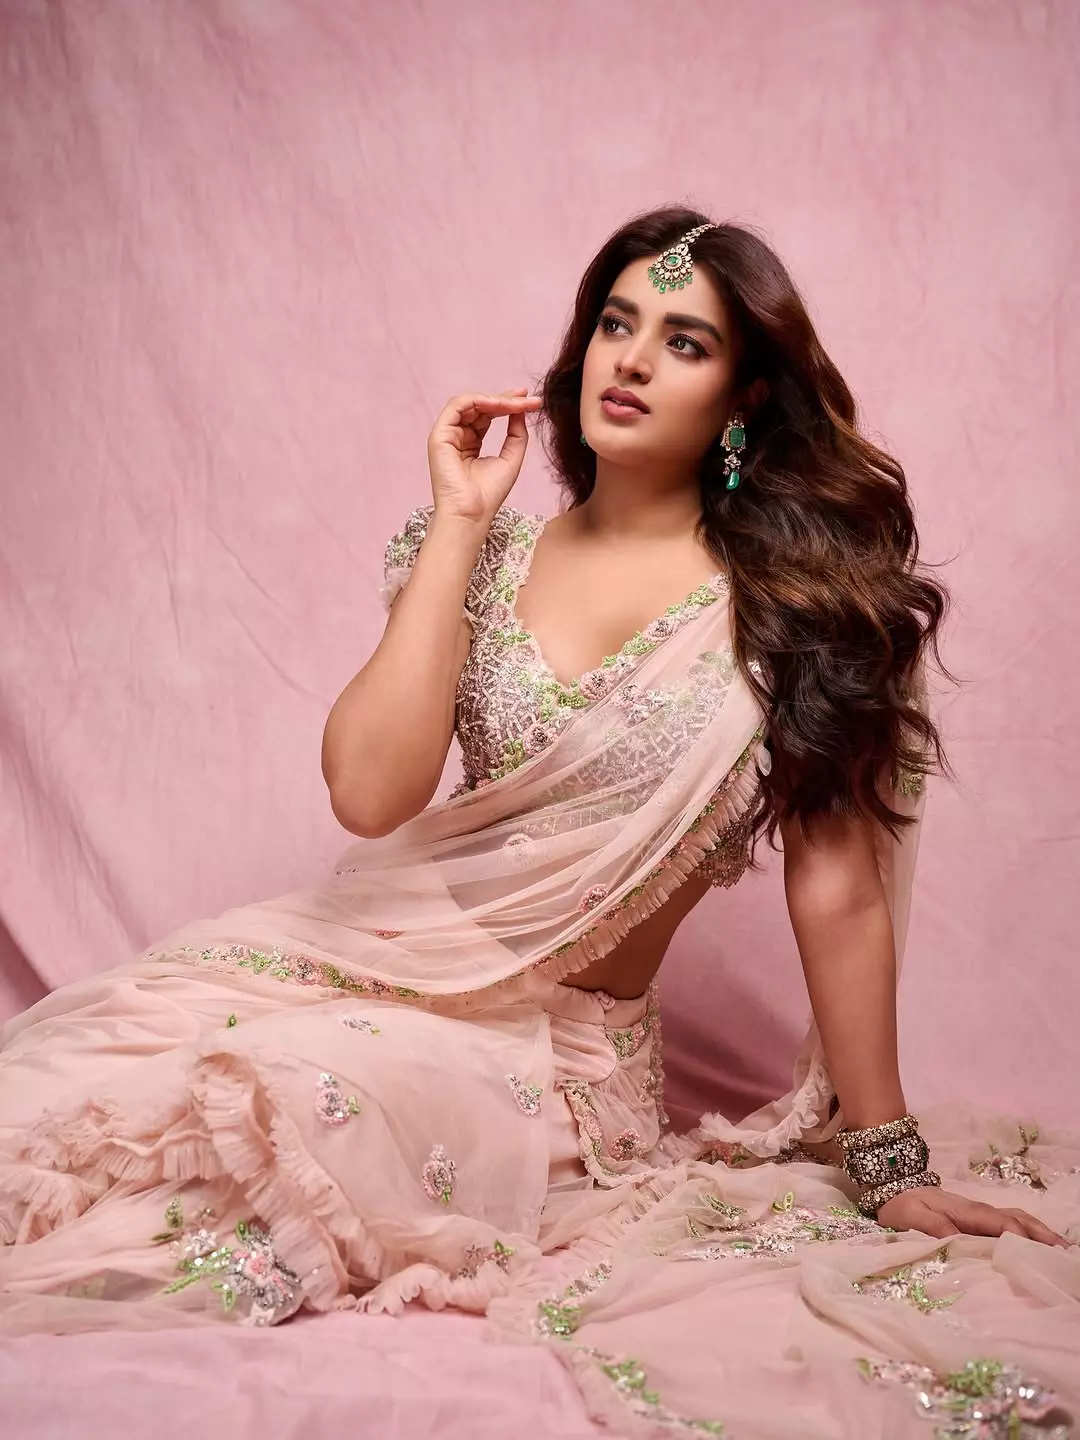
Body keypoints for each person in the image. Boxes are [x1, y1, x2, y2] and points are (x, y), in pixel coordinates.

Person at [1, 208, 1077, 1435]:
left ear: (744, 397)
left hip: (552, 1064)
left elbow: (837, 891)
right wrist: (460, 522)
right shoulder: (485, 551)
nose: (633, 359)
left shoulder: (793, 615)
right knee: (91, 1078)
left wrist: (885, 1162)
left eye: (684, 342)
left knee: (282, 1100)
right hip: (359, 961)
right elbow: (368, 793)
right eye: (617, 324)